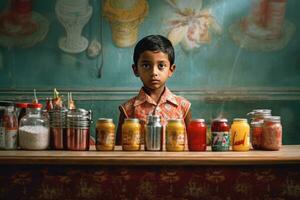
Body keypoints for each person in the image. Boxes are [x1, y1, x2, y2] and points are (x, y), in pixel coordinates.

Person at [116, 35, 191, 146]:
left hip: (176, 163)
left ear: (171, 70)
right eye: (146, 65)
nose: (154, 72)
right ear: (136, 69)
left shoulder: (183, 106)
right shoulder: (128, 109)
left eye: (161, 65)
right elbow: (119, 149)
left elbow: (193, 145)